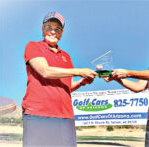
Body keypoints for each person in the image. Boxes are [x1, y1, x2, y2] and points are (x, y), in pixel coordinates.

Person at [22, 11, 97, 147]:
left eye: (57, 29)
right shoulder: (33, 46)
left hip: (65, 116)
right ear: (42, 28)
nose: (53, 31)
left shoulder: (66, 56)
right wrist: (79, 71)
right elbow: (45, 71)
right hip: (39, 114)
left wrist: (81, 82)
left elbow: (67, 86)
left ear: (62, 33)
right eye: (49, 27)